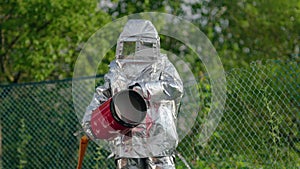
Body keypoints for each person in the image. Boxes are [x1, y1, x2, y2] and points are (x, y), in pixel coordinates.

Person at [82, 19, 183, 169]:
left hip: (157, 139)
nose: (137, 49)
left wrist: (144, 89)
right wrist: (90, 120)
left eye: (143, 44)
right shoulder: (117, 70)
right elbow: (102, 95)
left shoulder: (163, 66)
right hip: (126, 143)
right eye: (132, 44)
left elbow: (175, 87)